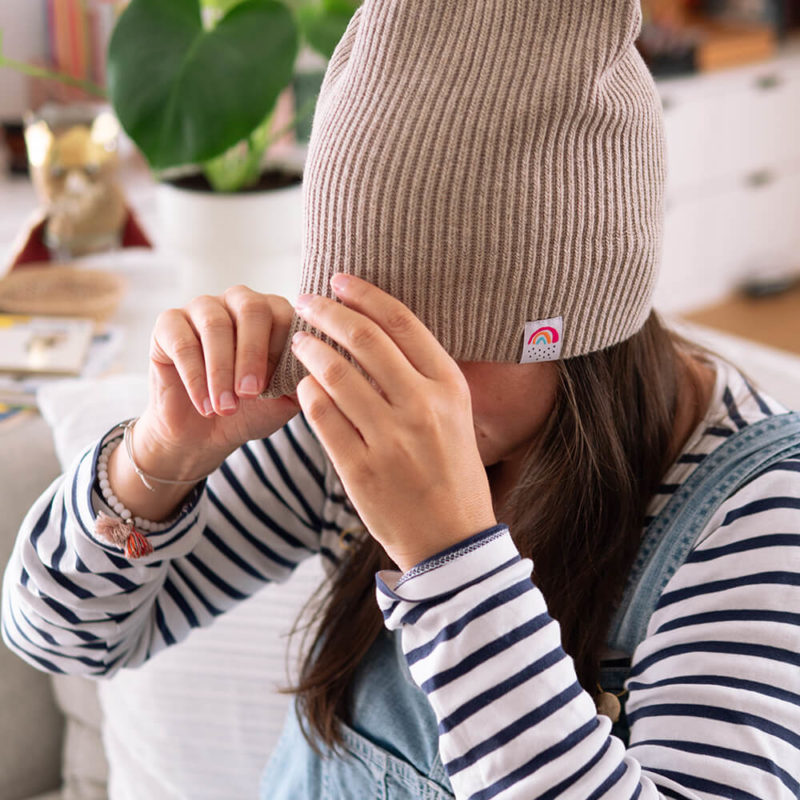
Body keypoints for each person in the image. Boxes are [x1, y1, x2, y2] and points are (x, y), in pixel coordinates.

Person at [4, 1, 800, 797]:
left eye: (432, 336)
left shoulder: (763, 513)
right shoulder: (341, 425)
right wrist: (157, 459)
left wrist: (451, 558)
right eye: (359, 325)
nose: (393, 380)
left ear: (570, 329)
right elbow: (57, 639)